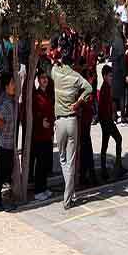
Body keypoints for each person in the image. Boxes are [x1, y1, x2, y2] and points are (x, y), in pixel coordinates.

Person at [51, 46, 93, 210]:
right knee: (71, 160)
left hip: (59, 122)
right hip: (72, 121)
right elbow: (89, 88)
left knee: (63, 159)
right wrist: (79, 102)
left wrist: (55, 60)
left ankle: (68, 195)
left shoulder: (56, 72)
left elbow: (50, 65)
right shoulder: (76, 76)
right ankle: (69, 194)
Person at [0, 72, 16, 210]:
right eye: (12, 83)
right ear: (6, 86)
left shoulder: (10, 99)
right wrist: (1, 124)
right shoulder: (5, 102)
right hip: (3, 144)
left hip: (8, 143)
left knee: (5, 171)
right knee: (2, 172)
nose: (14, 85)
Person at [31, 69, 55, 201]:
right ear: (38, 80)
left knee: (46, 162)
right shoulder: (36, 95)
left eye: (46, 77)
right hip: (39, 134)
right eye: (42, 78)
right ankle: (38, 190)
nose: (45, 80)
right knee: (40, 163)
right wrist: (41, 121)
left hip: (48, 133)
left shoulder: (49, 94)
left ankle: (44, 187)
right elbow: (34, 113)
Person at [98, 65, 123, 180]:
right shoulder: (104, 88)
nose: (111, 78)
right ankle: (117, 166)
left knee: (105, 144)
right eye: (109, 76)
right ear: (104, 76)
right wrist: (107, 120)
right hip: (106, 120)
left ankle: (105, 169)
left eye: (112, 76)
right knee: (118, 139)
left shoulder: (107, 87)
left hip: (107, 120)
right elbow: (102, 107)